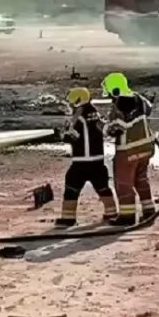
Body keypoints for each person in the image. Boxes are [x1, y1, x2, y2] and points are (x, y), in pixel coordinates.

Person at [54, 87, 117, 228]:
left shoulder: (79, 116)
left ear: (78, 101)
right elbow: (103, 130)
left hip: (82, 161)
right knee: (103, 187)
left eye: (71, 103)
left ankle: (68, 218)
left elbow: (72, 137)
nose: (70, 106)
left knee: (71, 187)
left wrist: (60, 136)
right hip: (98, 161)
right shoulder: (94, 113)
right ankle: (112, 212)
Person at [102, 72, 156, 226]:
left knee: (123, 183)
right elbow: (148, 110)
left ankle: (127, 216)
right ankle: (149, 211)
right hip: (146, 148)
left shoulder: (119, 105)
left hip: (128, 151)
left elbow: (115, 129)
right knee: (141, 180)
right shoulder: (140, 99)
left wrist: (104, 127)